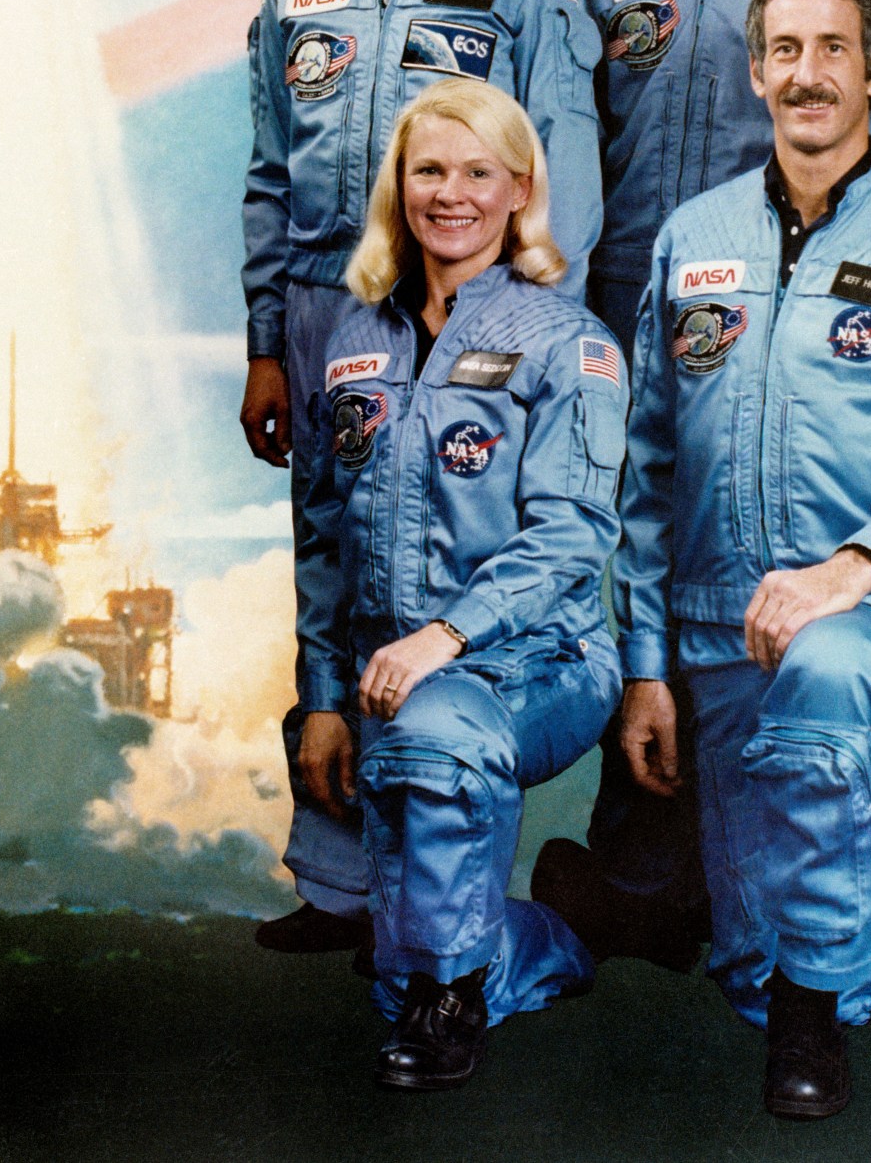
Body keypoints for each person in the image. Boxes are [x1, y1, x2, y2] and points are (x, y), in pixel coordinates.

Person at [539, 0, 871, 975]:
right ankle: (651, 861)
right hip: (629, 322)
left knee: (766, 607)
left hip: (786, 329)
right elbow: (573, 149)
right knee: (635, 583)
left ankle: (858, 883)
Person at [612, 0, 871, 1118]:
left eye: (832, 49)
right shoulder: (692, 241)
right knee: (751, 956)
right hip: (713, 625)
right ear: (754, 71)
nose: (806, 74)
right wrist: (645, 667)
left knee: (829, 672)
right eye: (782, 50)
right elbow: (645, 470)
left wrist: (850, 572)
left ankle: (809, 1031)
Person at [241, 0, 604, 959]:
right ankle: (337, 880)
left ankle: (437, 860)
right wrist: (262, 344)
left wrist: (544, 319)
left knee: (457, 553)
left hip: (477, 314)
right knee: (332, 555)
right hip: (325, 317)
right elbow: (262, 174)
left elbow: (563, 161)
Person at [298, 78, 623, 1088]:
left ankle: (452, 992)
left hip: (538, 662)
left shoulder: (564, 342)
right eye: (426, 169)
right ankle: (527, 943)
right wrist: (320, 700)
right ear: (396, 186)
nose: (450, 194)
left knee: (435, 745)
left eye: (476, 172)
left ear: (518, 189)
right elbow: (320, 539)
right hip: (388, 672)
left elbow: (572, 532)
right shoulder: (353, 341)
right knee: (389, 976)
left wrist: (448, 635)